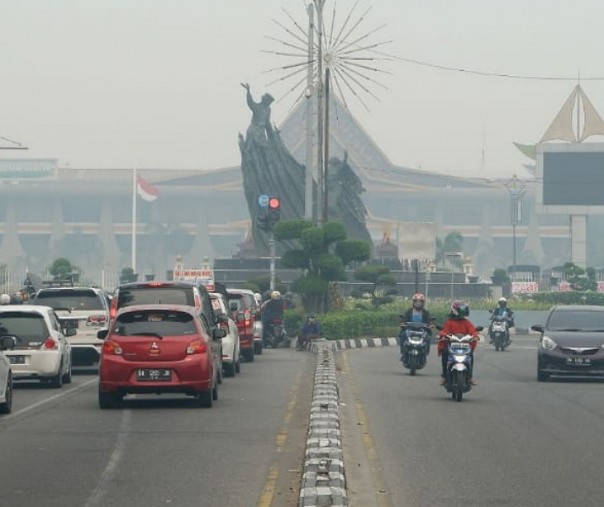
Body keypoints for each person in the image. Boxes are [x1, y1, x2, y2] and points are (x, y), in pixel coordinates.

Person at [438, 300, 479, 386]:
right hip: (452, 345)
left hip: (464, 345)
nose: (463, 312)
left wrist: (474, 336)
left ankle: (470, 376)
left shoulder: (467, 322)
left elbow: (473, 331)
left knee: (470, 355)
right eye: (461, 310)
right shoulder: (449, 322)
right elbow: (444, 331)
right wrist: (444, 336)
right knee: (445, 354)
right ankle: (445, 376)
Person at [399, 292, 433, 357]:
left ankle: (425, 353)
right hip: (410, 329)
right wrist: (403, 323)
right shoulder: (409, 311)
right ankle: (403, 352)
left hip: (422, 330)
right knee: (403, 336)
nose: (418, 303)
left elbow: (429, 321)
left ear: (423, 303)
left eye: (420, 301)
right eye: (416, 301)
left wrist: (430, 325)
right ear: (413, 302)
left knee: (428, 338)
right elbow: (404, 320)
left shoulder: (425, 312)